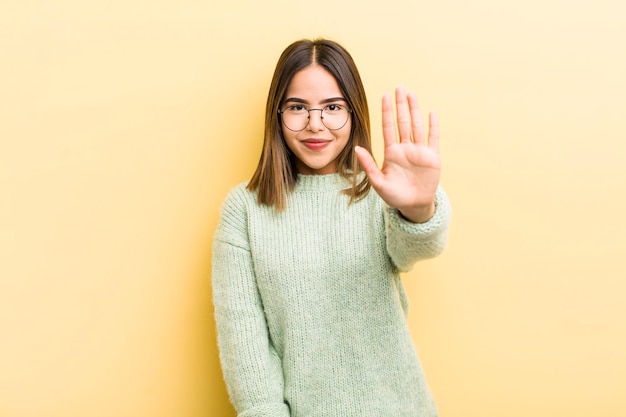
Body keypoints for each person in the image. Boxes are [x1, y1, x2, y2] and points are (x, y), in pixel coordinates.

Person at [212, 38, 451, 417]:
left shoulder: (379, 192)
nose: (315, 124)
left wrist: (418, 207)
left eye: (332, 107)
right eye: (297, 108)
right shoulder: (244, 210)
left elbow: (416, 248)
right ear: (277, 114)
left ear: (354, 113)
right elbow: (247, 352)